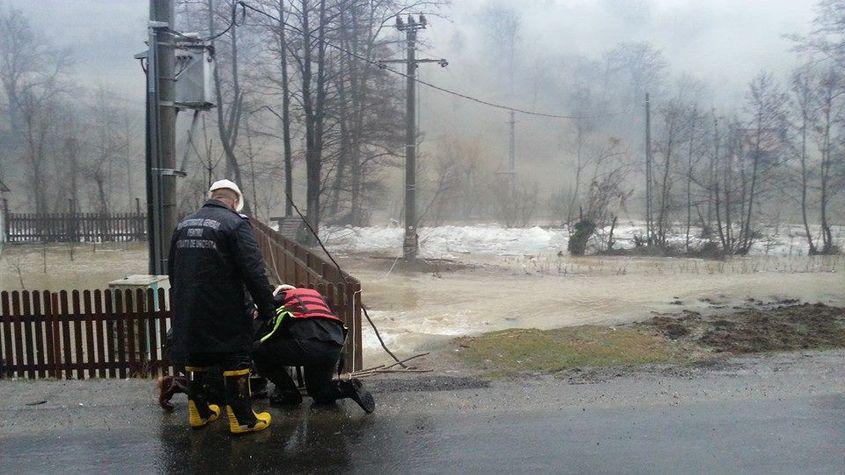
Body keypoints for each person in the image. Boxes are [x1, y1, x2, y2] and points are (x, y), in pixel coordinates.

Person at [168, 179, 276, 434]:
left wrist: (185, 302)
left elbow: (173, 269)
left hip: (190, 307)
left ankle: (200, 413)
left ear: (212, 197)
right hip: (226, 307)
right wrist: (268, 308)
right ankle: (243, 419)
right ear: (234, 202)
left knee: (196, 356)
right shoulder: (236, 224)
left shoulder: (182, 225)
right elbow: (254, 272)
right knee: (236, 356)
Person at [252, 285, 375, 414]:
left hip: (308, 343)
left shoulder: (282, 297)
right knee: (319, 394)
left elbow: (263, 318)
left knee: (257, 351)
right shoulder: (317, 297)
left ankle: (289, 393)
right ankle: (347, 388)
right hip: (333, 345)